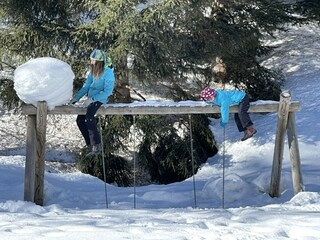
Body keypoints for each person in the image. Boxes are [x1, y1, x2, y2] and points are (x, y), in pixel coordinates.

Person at [71, 49, 115, 156]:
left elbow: (108, 91)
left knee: (89, 115)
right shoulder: (92, 71)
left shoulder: (108, 73)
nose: (91, 62)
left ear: (99, 62)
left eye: (93, 60)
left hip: (100, 98)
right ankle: (90, 144)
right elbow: (86, 86)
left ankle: (97, 145)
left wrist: (93, 99)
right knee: (80, 120)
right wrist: (76, 98)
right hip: (91, 97)